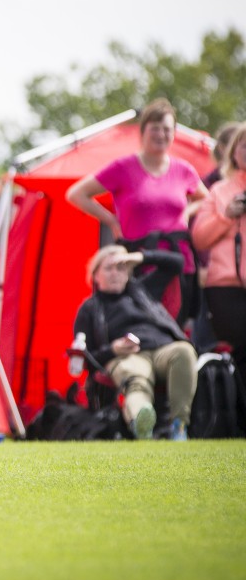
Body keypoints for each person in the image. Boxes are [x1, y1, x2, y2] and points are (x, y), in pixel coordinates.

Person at [66, 98, 208, 324]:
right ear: (143, 132)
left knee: (176, 325)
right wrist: (111, 221)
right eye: (155, 129)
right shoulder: (123, 167)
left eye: (167, 129)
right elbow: (76, 194)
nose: (161, 134)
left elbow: (206, 200)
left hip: (177, 261)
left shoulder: (183, 170)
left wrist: (188, 212)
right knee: (138, 323)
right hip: (137, 260)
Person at [73, 245, 198, 440]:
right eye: (108, 268)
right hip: (125, 356)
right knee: (136, 379)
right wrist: (113, 349)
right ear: (95, 275)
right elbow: (84, 358)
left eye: (121, 268)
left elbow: (177, 263)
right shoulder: (89, 309)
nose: (115, 273)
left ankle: (179, 425)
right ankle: (141, 420)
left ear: (129, 272)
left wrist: (139, 257)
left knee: (184, 351)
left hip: (162, 350)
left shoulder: (143, 290)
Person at [191, 123, 246, 370]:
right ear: (233, 152)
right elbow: (200, 238)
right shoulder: (218, 191)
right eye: (244, 146)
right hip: (225, 288)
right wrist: (226, 216)